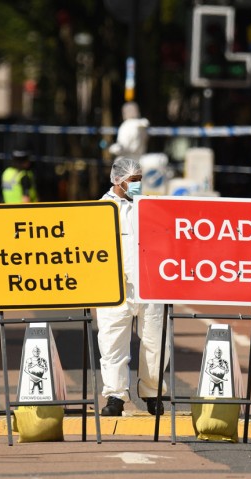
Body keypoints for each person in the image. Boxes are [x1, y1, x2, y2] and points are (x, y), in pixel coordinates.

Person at [96, 157, 170, 416]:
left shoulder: (149, 206)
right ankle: (115, 396)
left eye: (140, 179)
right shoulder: (101, 209)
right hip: (114, 288)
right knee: (112, 341)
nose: (138, 185)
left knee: (155, 341)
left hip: (150, 285)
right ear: (118, 180)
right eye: (133, 180)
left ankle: (152, 393)